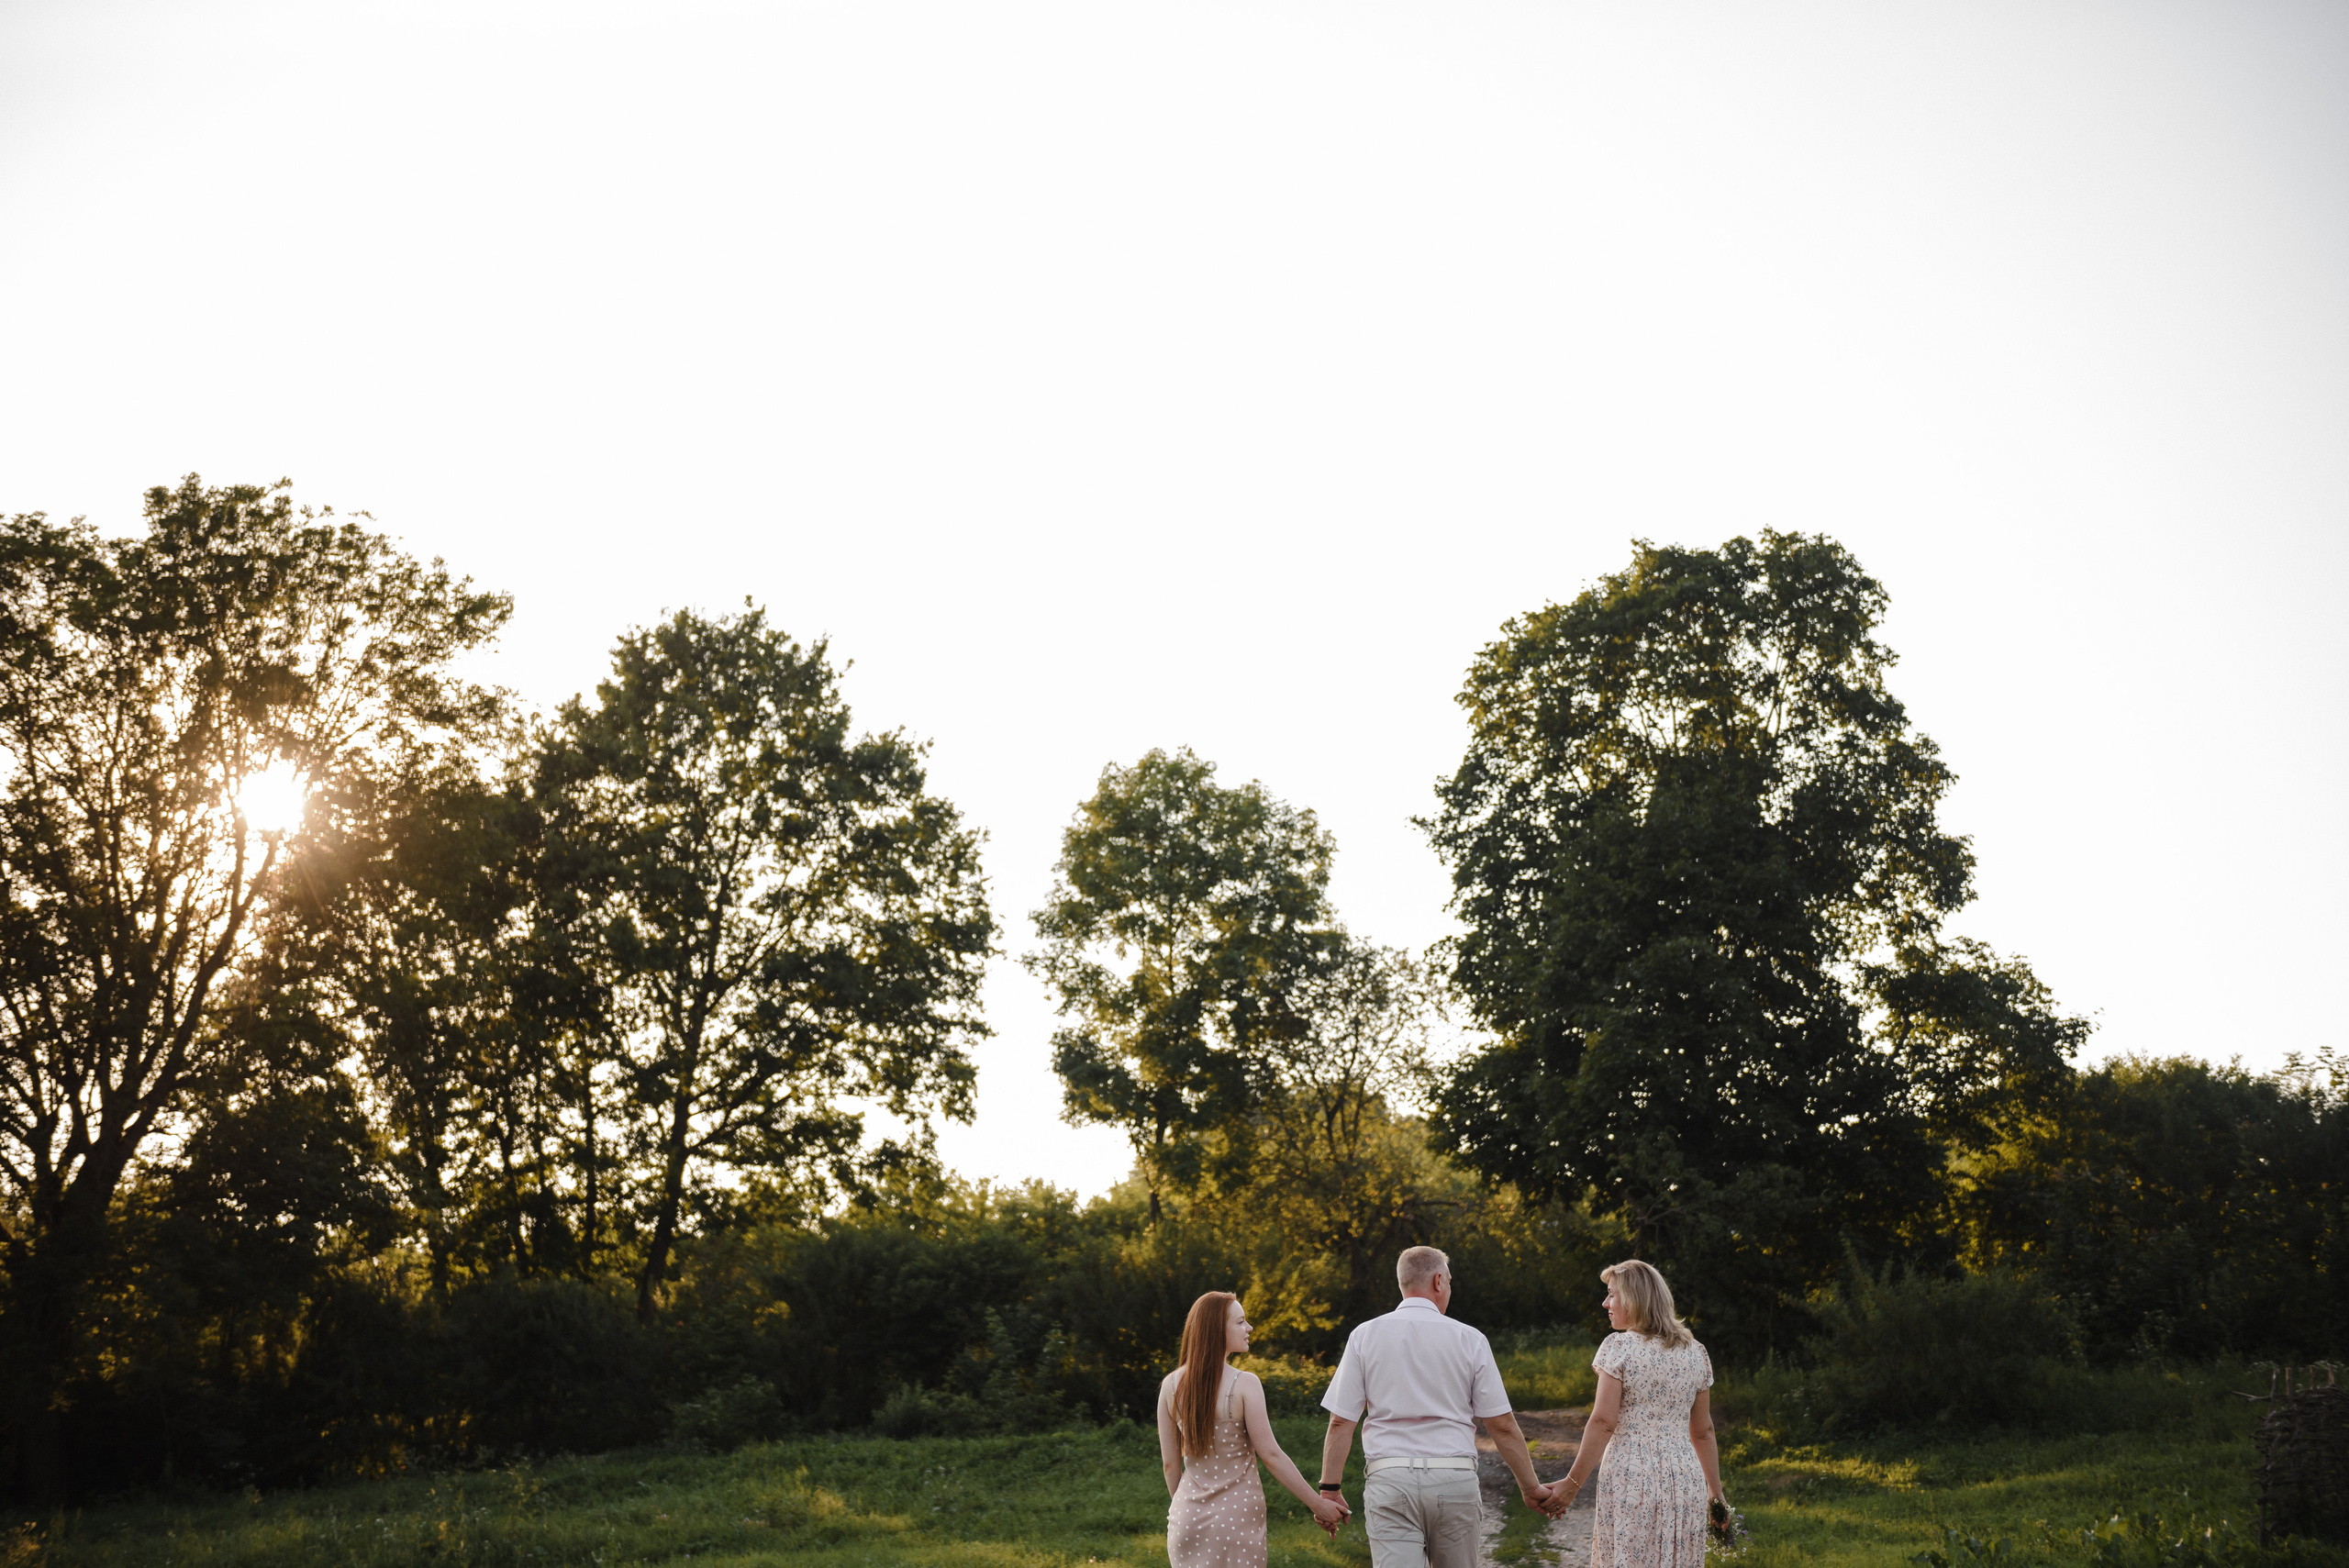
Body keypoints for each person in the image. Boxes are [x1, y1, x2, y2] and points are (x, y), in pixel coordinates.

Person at [1319, 1246, 1564, 1568]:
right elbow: (1501, 1424)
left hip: (1391, 1481)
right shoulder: (1470, 1338)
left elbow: (1341, 1421)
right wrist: (1531, 1487)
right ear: (1438, 1281)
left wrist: (1330, 1489)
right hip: (1454, 1479)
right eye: (1448, 1281)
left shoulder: (1364, 1335)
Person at [1550, 1260, 1726, 1568]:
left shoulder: (1619, 1347)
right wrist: (1715, 1495)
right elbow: (1703, 1431)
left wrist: (1572, 1483)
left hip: (1632, 1476)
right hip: (1686, 1479)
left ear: (1634, 1300)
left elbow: (1604, 1422)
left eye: (1612, 1295)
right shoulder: (1696, 1352)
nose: (1606, 1303)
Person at [1159, 1291, 1350, 1568]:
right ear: (1216, 1330)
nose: (1248, 1328)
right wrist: (1318, 1505)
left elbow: (1169, 1465)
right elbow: (1271, 1455)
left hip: (1185, 1519)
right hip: (1237, 1521)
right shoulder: (1245, 1384)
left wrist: (1186, 1508)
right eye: (1240, 1322)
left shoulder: (1170, 1386)